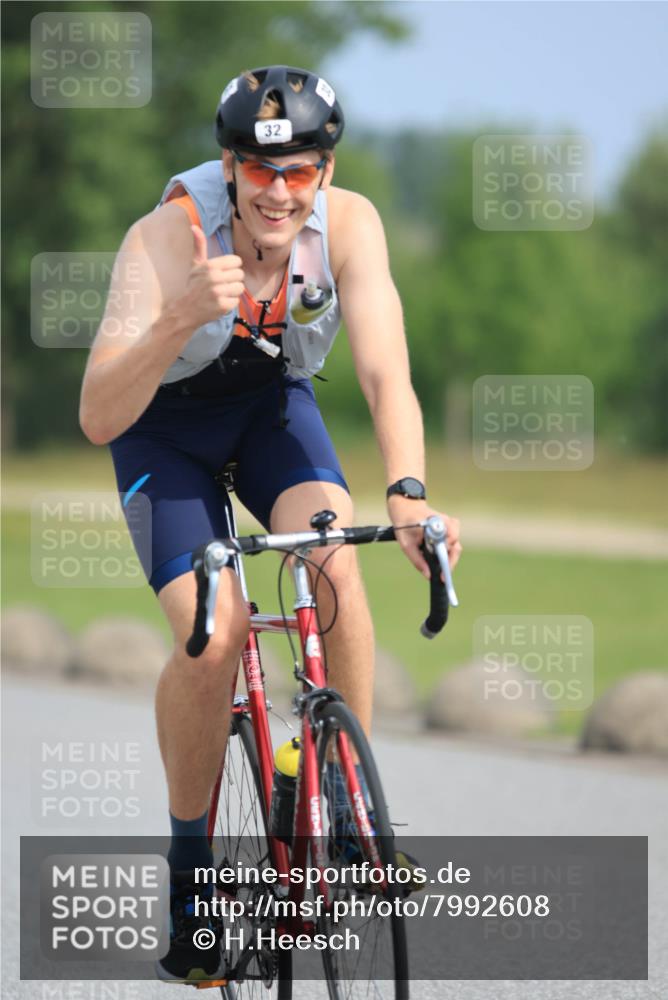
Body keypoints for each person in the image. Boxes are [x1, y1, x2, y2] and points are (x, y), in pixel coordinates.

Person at [79, 65, 461, 983]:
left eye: (299, 172)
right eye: (259, 169)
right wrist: (177, 317)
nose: (280, 192)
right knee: (214, 637)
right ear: (229, 167)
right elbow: (96, 414)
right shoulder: (163, 239)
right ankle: (191, 877)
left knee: (333, 559)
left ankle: (345, 815)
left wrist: (408, 494)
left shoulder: (352, 226)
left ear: (325, 171)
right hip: (161, 432)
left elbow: (386, 375)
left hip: (269, 410)